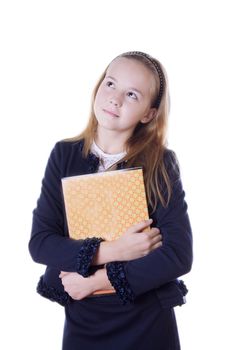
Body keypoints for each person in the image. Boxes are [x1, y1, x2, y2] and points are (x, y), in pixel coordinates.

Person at [29, 51, 193, 350]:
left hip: (146, 323)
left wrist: (96, 281)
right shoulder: (64, 155)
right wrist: (114, 250)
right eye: (110, 84)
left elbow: (177, 256)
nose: (115, 99)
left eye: (131, 94)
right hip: (84, 322)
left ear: (148, 113)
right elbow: (41, 244)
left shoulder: (160, 163)